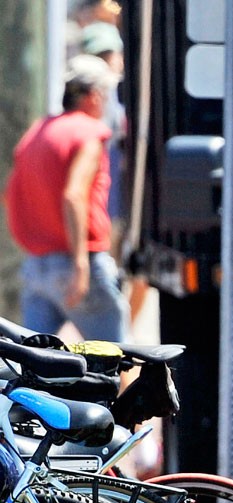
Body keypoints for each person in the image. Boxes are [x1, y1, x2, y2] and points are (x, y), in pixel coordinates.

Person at [4, 54, 130, 343]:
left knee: (33, 365)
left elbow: (10, 194)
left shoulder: (38, 131)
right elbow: (74, 195)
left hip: (36, 268)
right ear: (95, 96)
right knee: (122, 359)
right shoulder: (88, 133)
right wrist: (80, 263)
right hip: (78, 265)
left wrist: (33, 240)